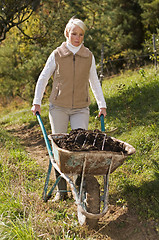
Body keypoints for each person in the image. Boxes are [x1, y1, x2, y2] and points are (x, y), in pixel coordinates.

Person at [31, 17, 107, 201]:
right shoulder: (57, 54)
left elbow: (94, 81)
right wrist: (36, 101)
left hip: (81, 108)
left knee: (81, 147)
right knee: (59, 147)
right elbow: (43, 78)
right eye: (74, 33)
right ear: (67, 33)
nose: (77, 38)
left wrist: (102, 104)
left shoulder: (88, 55)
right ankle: (62, 191)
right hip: (58, 108)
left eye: (80, 34)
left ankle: (82, 188)